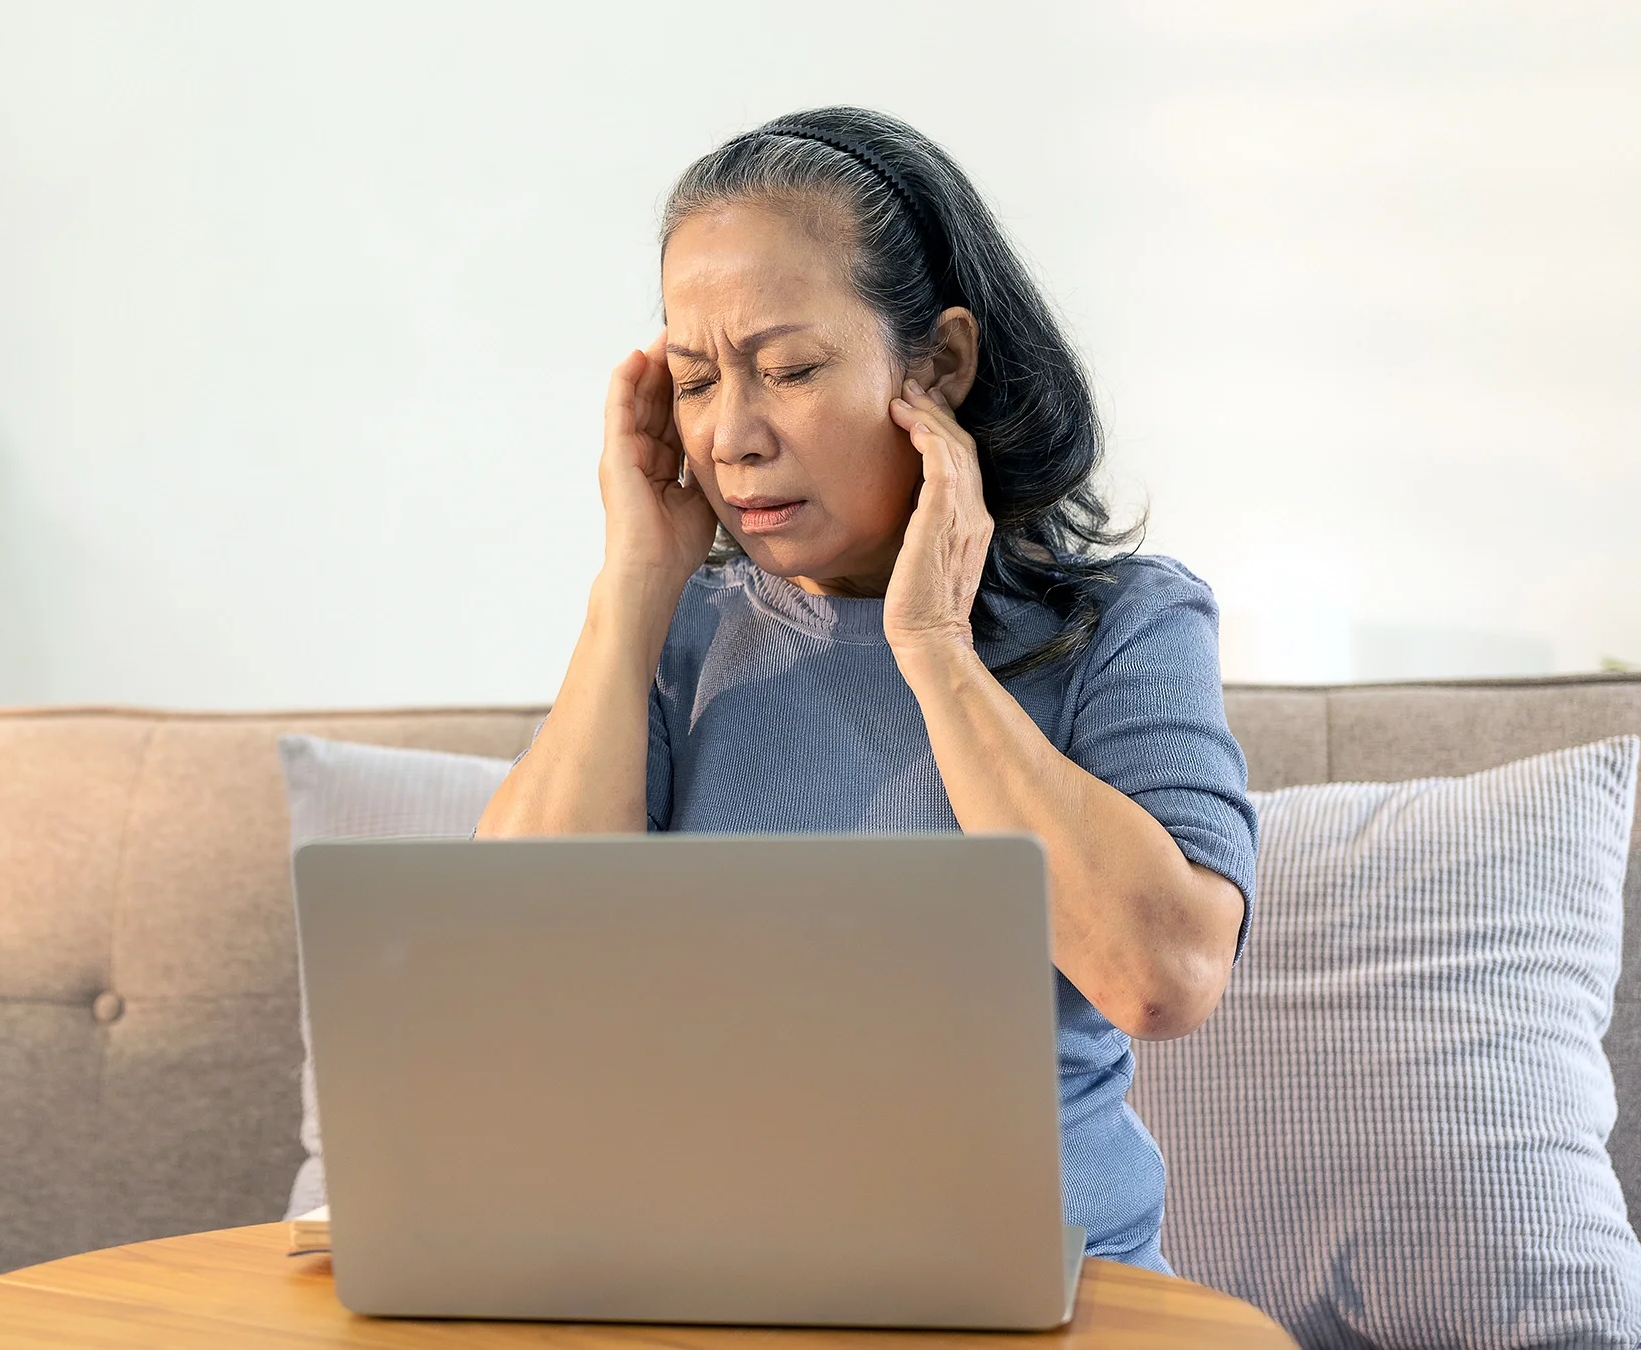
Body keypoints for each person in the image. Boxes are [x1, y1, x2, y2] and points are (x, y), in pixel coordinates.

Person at [474, 107, 1257, 1274]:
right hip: (717, 1286)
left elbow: (1164, 980)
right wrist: (633, 584)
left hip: (1055, 1296)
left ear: (937, 364)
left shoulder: (1124, 623)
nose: (730, 436)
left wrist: (935, 645)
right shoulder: (678, 637)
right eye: (695, 379)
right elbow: (510, 976)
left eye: (789, 369)